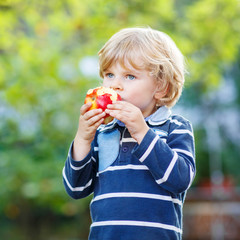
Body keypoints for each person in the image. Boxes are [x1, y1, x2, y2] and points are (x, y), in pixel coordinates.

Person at [63, 27, 195, 240]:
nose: (115, 85)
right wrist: (83, 138)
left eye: (130, 76)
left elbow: (179, 180)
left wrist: (142, 132)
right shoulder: (103, 132)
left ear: (160, 87)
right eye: (109, 74)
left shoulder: (176, 127)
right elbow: (76, 188)